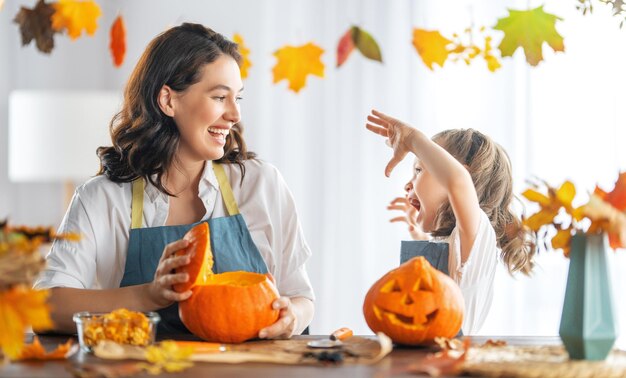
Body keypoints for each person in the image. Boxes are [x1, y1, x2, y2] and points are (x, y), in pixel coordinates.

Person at [34, 23, 314, 338]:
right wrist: (148, 295)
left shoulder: (261, 184)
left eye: (238, 98)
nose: (235, 114)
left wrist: (293, 316)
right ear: (168, 101)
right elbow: (46, 308)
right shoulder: (101, 198)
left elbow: (301, 296)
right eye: (220, 97)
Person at [365, 109, 534, 334]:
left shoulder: (478, 232)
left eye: (418, 170)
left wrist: (412, 138)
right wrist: (421, 239)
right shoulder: (458, 242)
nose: (408, 184)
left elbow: (458, 181)